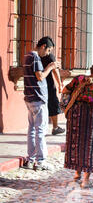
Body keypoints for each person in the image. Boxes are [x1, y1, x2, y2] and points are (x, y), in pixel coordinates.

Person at [62, 60, 93, 188]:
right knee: (90, 147)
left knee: (76, 145)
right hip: (91, 119)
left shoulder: (79, 79)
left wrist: (65, 107)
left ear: (91, 70)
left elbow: (64, 90)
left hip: (75, 116)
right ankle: (85, 180)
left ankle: (77, 175)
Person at [22, 37, 58, 171]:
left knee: (32, 130)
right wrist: (50, 66)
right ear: (43, 46)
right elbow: (40, 76)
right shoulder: (35, 57)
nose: (48, 53)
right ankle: (40, 161)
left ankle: (30, 160)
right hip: (38, 99)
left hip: (30, 98)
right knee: (40, 131)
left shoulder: (27, 56)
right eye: (48, 50)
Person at [41, 52, 65, 135]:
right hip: (49, 84)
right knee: (53, 104)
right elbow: (55, 70)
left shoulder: (36, 56)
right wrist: (59, 84)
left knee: (42, 105)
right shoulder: (49, 56)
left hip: (39, 84)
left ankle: (42, 127)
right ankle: (55, 127)